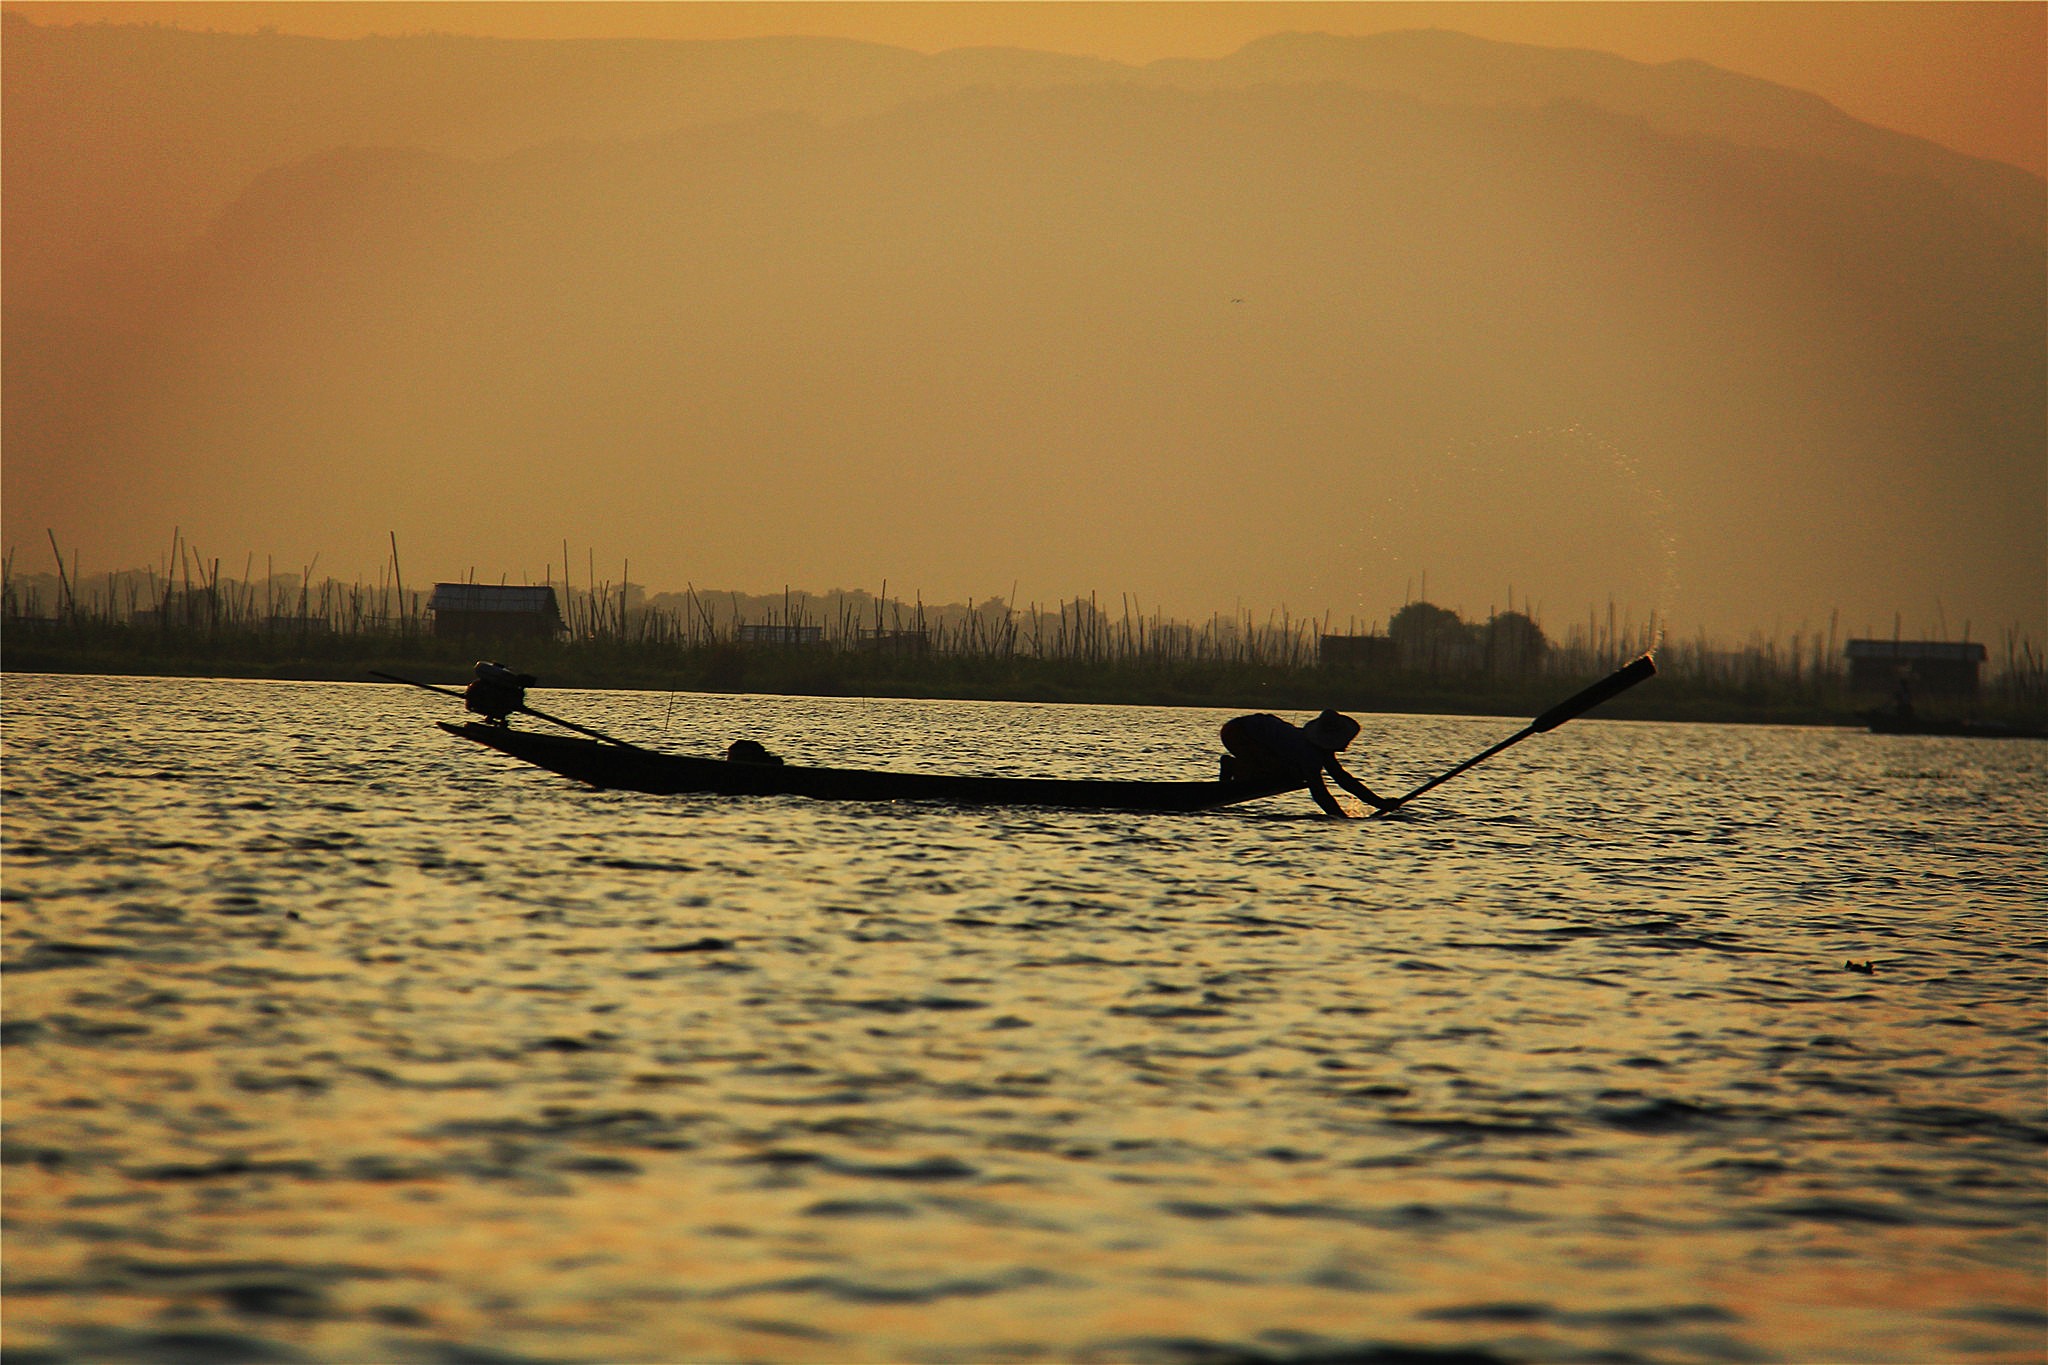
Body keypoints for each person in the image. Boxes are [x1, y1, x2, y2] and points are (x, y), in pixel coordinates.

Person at [1220, 709, 1397, 818]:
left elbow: (1343, 779)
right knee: (1276, 775)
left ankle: (1235, 769)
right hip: (1238, 732)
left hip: (1255, 731)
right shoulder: (1308, 753)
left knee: (1292, 774)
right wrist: (1339, 817)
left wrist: (1379, 803)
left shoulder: (1321, 751)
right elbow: (1319, 792)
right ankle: (1232, 766)